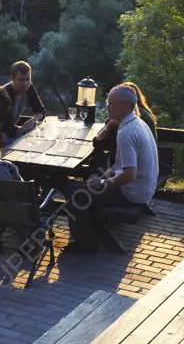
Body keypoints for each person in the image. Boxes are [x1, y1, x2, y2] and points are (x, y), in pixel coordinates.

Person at [65, 85, 159, 254]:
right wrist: (102, 179)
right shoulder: (137, 123)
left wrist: (104, 183)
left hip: (133, 193)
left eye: (111, 103)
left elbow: (130, 174)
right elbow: (120, 165)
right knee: (80, 189)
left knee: (75, 195)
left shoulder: (126, 132)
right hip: (144, 189)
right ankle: (91, 234)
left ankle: (86, 244)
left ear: (124, 106)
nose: (107, 106)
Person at [4, 60, 46, 135]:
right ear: (12, 78)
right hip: (0, 133)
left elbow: (41, 111)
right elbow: (6, 124)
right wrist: (24, 129)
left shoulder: (29, 87)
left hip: (13, 128)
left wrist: (34, 120)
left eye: (28, 79)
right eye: (21, 80)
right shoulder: (4, 93)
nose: (25, 83)